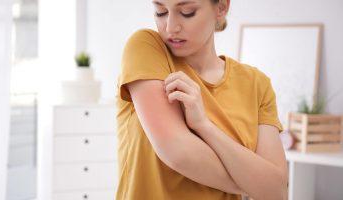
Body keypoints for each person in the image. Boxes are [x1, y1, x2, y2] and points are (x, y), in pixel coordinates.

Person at [115, 0, 288, 199]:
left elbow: (277, 192)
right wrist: (254, 182)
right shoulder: (146, 48)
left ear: (221, 7)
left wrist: (204, 125)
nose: (170, 27)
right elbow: (179, 154)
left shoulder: (257, 84)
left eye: (187, 12)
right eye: (160, 11)